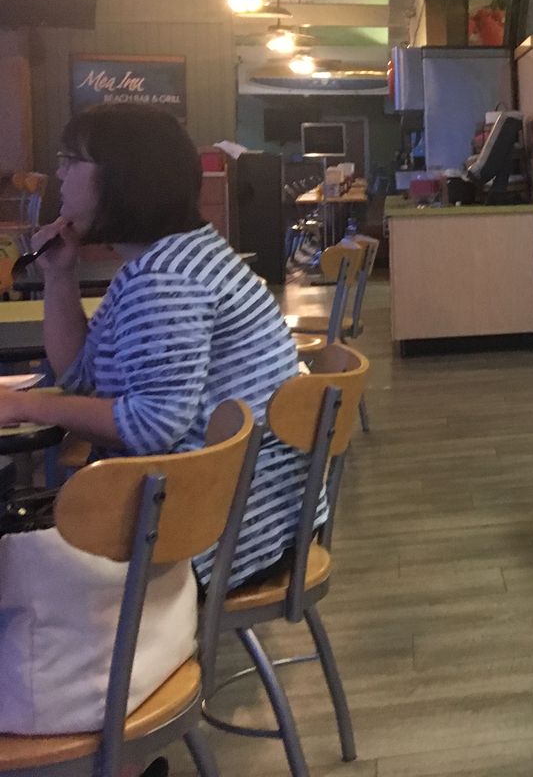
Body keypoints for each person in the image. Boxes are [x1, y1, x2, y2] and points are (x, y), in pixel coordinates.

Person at [0, 105, 306, 590]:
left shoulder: (166, 281)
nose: (58, 175)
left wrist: (24, 405)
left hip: (211, 536)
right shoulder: (172, 258)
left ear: (123, 179)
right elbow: (79, 374)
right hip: (236, 517)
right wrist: (59, 275)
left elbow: (150, 427)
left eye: (71, 161)